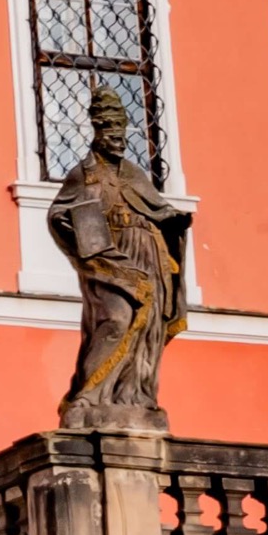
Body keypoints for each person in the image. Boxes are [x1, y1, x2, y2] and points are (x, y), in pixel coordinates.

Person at [46, 79, 192, 422]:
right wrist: (77, 235)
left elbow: (156, 208)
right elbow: (58, 214)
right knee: (115, 319)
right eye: (112, 133)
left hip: (148, 256)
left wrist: (172, 221)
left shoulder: (134, 173)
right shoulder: (83, 174)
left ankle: (134, 396)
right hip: (109, 260)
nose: (119, 140)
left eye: (122, 133)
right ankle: (86, 396)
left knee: (146, 331)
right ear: (98, 131)